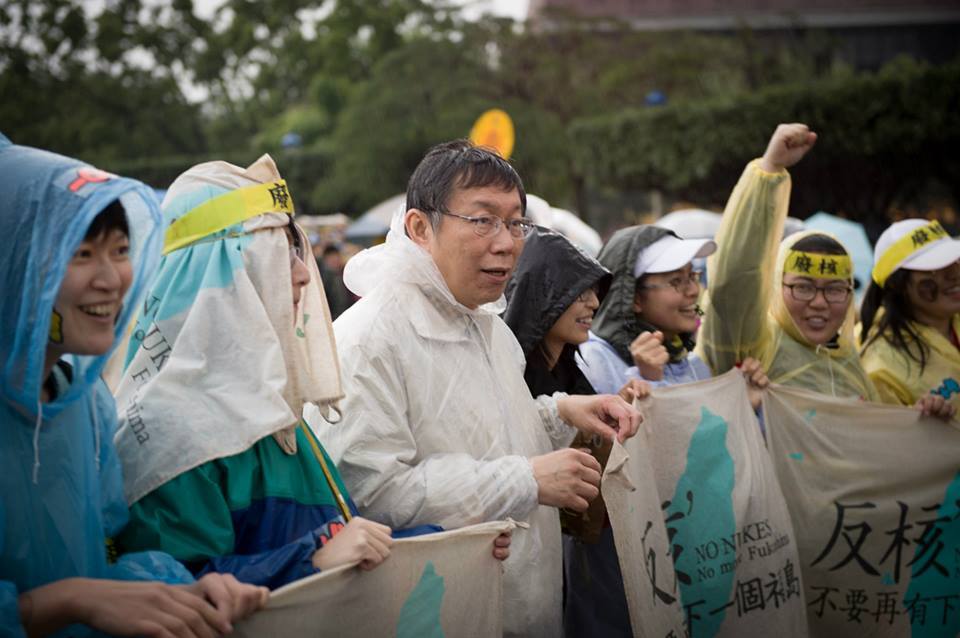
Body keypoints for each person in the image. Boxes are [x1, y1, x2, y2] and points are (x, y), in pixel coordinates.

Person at [321, 140, 641, 638]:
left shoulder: (487, 325)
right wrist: (526, 481)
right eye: (483, 220)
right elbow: (370, 493)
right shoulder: (367, 340)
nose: (507, 242)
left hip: (527, 602)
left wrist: (561, 413)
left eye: (516, 222)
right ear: (419, 228)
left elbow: (491, 431)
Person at [112, 156, 459, 590]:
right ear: (216, 277)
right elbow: (173, 595)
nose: (299, 275)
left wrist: (445, 548)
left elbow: (342, 537)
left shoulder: (271, 405)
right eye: (275, 254)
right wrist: (309, 559)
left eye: (297, 252)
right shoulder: (165, 433)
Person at [0, 135, 266, 637]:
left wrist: (186, 591)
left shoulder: (84, 404)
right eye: (80, 254)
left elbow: (104, 559)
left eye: (120, 250)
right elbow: (82, 592)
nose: (112, 279)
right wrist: (65, 602)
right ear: (13, 266)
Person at [503, 227, 648, 637]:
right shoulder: (510, 370)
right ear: (543, 295)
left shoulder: (569, 367)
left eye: (594, 291)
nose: (593, 303)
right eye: (578, 291)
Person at [696, 123, 883, 401]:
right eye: (803, 287)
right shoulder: (754, 350)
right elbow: (734, 283)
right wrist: (768, 172)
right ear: (774, 286)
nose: (819, 302)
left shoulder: (851, 364)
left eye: (834, 289)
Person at [578, 225, 769, 409]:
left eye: (692, 276)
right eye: (676, 281)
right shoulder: (592, 360)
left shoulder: (691, 362)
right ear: (633, 298)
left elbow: (703, 437)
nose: (694, 290)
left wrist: (744, 407)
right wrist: (647, 381)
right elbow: (607, 439)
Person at [859, 218, 960, 418]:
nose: (954, 274)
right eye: (934, 268)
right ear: (898, 285)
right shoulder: (882, 369)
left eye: (955, 260)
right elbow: (890, 441)